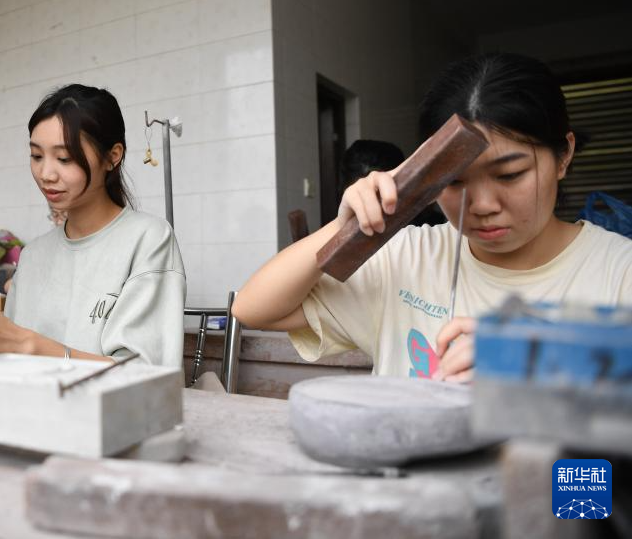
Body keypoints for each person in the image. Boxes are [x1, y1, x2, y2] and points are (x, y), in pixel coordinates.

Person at [233, 53, 632, 382]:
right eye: (453, 180)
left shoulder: (619, 272)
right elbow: (253, 309)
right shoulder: (405, 258)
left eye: (510, 175)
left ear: (564, 155)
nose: (482, 205)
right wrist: (343, 228)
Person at [0, 84, 186, 367]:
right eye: (36, 156)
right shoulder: (34, 255)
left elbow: (144, 375)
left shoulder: (149, 239)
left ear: (112, 156)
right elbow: (15, 364)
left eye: (64, 158)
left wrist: (25, 343)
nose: (46, 174)